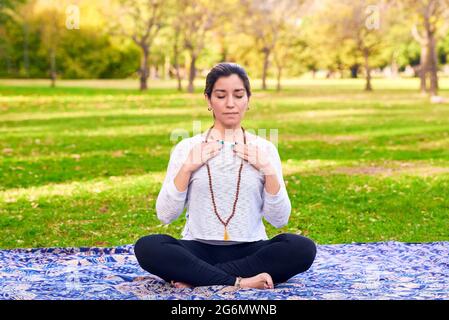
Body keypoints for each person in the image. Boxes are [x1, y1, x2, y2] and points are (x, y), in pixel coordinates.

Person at [134, 62, 316, 289]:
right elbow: (165, 215)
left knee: (302, 248)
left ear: (248, 99)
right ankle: (241, 282)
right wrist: (187, 167)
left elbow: (279, 220)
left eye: (238, 95)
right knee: (148, 247)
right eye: (221, 96)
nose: (231, 104)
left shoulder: (265, 149)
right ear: (208, 100)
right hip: (197, 249)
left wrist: (268, 170)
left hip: (251, 249)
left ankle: (196, 278)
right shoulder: (187, 148)